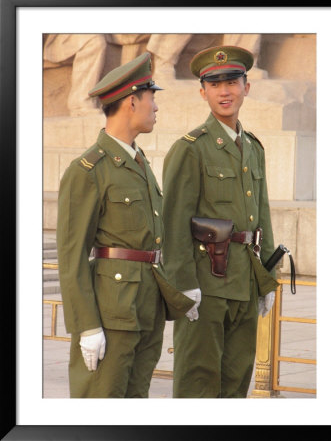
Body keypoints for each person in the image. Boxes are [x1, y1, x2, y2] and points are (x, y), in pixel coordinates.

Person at [56, 52, 194, 398]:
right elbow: (71, 257)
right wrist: (86, 325)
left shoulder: (139, 162)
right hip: (111, 313)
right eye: (152, 99)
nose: (156, 108)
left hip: (145, 308)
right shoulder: (88, 170)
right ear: (132, 101)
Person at [162, 45, 279, 398]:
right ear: (203, 92)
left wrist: (268, 277)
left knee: (235, 384)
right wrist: (183, 285)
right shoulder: (191, 148)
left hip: (244, 282)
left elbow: (263, 214)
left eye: (232, 81)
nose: (224, 91)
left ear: (247, 86)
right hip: (206, 285)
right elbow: (173, 222)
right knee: (198, 384)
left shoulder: (253, 147)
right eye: (215, 84)